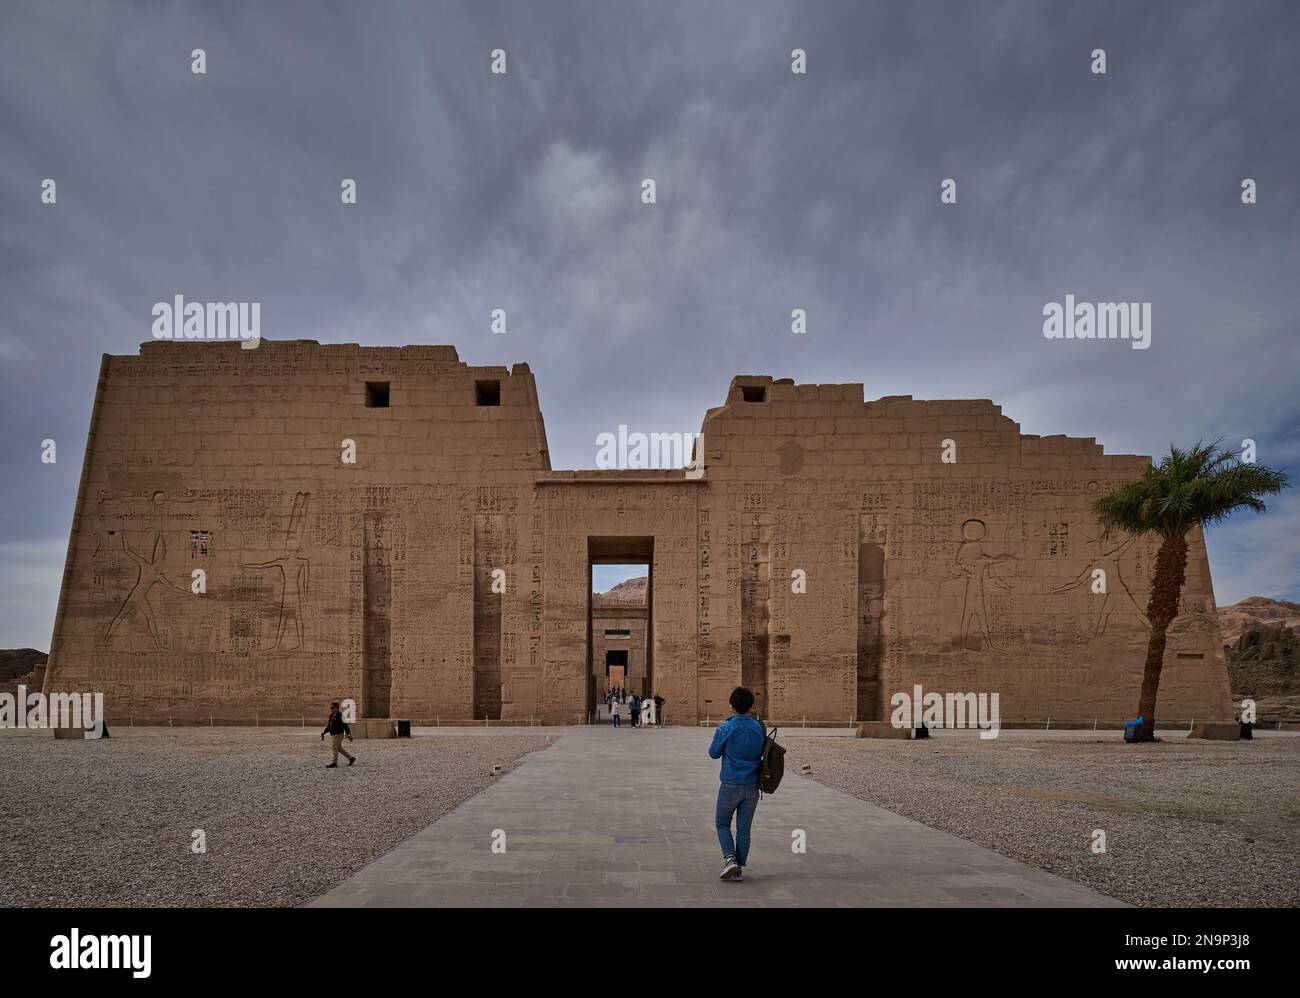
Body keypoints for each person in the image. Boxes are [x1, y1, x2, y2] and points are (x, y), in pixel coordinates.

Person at [707, 687, 765, 881]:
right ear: (750, 705)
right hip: (752, 786)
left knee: (722, 823)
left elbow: (713, 753)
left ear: (731, 704)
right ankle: (738, 868)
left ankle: (730, 859)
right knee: (744, 828)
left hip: (731, 783)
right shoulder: (758, 727)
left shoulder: (725, 727)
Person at [321, 701, 355, 768]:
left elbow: (346, 726)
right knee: (339, 748)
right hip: (333, 735)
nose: (331, 709)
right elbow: (329, 726)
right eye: (330, 708)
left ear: (337, 708)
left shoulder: (342, 716)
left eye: (332, 708)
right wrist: (324, 732)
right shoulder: (331, 716)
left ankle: (334, 762)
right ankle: (351, 758)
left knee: (334, 747)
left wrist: (348, 734)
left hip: (339, 735)